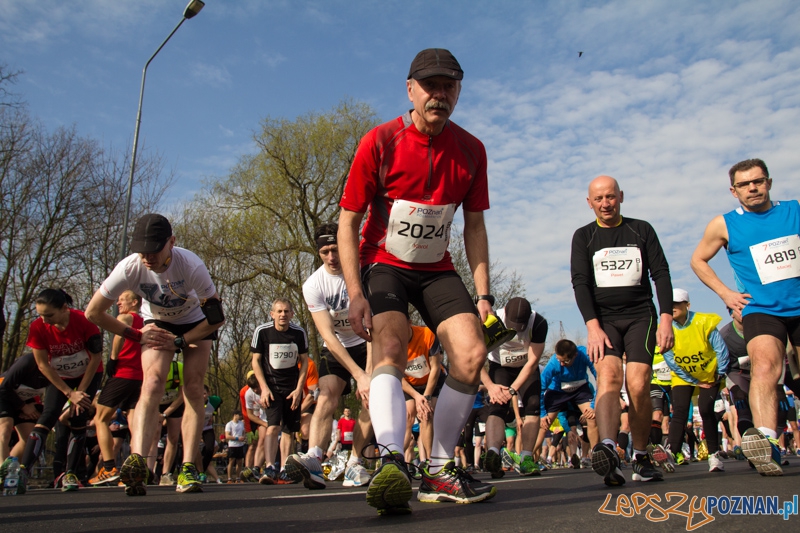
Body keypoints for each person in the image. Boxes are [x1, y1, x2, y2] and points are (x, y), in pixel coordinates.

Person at [338, 48, 496, 513]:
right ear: (411, 90)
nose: (439, 95)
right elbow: (348, 222)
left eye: (449, 86)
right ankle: (391, 460)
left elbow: (474, 226)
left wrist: (483, 294)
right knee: (391, 341)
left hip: (436, 268)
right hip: (383, 262)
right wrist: (354, 293)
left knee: (472, 352)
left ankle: (440, 468)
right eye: (430, 86)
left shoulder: (472, 150)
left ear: (459, 92)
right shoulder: (380, 141)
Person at [85, 213, 224, 495]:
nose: (147, 257)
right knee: (151, 383)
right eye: (142, 251)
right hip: (157, 322)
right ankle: (137, 463)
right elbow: (93, 312)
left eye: (154, 250)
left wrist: (181, 341)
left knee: (193, 387)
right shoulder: (129, 268)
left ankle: (188, 467)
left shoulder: (191, 265)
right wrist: (136, 335)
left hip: (196, 323)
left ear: (171, 242)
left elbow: (216, 318)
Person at [691, 158, 800, 476]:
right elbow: (698, 260)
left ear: (769, 182)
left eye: (758, 181)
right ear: (734, 191)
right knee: (765, 366)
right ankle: (766, 443)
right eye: (744, 184)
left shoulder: (793, 210)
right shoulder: (724, 224)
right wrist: (726, 294)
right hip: (761, 309)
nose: (752, 188)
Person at [570, 175, 674, 486]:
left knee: (639, 384)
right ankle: (608, 450)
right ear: (589, 203)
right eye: (599, 198)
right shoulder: (583, 236)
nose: (605, 204)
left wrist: (666, 319)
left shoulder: (641, 229)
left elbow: (661, 274)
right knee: (609, 378)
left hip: (640, 316)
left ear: (621, 196)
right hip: (604, 321)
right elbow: (580, 282)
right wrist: (592, 327)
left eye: (611, 197)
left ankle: (640, 456)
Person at [285, 224, 374, 490]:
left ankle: (355, 463)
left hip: (368, 341)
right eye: (325, 251)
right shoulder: (313, 285)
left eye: (336, 249)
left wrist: (368, 374)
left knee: (372, 398)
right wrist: (357, 374)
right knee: (326, 395)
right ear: (318, 253)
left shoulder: (364, 272)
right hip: (338, 346)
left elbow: (374, 326)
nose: (332, 257)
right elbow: (329, 336)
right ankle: (314, 458)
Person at [19, 289, 104, 493]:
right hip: (59, 377)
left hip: (88, 373)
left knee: (78, 415)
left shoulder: (84, 321)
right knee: (48, 415)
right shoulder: (38, 327)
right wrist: (68, 393)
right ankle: (23, 471)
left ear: (64, 308)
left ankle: (71, 473)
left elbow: (95, 358)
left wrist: (80, 393)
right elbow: (42, 365)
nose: (44, 320)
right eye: (41, 315)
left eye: (49, 315)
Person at [660, 288, 730, 472]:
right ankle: (671, 452)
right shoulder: (666, 328)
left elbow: (721, 350)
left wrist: (719, 374)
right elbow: (670, 360)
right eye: (670, 304)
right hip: (683, 375)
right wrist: (693, 381)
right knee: (680, 410)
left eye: (677, 303)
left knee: (706, 409)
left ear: (687, 305)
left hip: (709, 374)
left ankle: (714, 455)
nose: (673, 307)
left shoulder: (703, 322)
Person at [481, 297, 547, 477]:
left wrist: (512, 390)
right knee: (497, 406)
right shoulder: (490, 320)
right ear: (504, 312)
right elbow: (474, 357)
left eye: (520, 327)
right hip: (500, 366)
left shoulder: (539, 323)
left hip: (526, 367)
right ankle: (493, 454)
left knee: (533, 404)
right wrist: (490, 386)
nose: (517, 331)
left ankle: (526, 458)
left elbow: (533, 362)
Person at [250, 298, 309, 484]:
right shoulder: (262, 332)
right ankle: (269, 467)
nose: (283, 315)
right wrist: (264, 388)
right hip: (271, 387)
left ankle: (284, 468)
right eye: (279, 311)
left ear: (292, 314)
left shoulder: (299, 333)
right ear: (272, 314)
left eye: (286, 311)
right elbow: (255, 361)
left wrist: (299, 389)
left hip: (291, 388)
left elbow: (305, 362)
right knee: (273, 426)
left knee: (288, 430)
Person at [89, 290, 144, 486]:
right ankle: (135, 469)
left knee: (100, 418)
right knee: (135, 424)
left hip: (123, 374)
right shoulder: (146, 322)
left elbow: (120, 334)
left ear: (135, 302)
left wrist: (113, 358)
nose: (118, 303)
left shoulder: (127, 317)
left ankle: (109, 467)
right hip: (139, 377)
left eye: (122, 300)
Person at [0, 352, 49, 482]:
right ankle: (1, 468)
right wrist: (23, 406)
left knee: (28, 437)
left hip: (26, 399)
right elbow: (4, 388)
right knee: (5, 428)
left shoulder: (59, 370)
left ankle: (9, 471)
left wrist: (35, 406)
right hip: (3, 393)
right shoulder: (28, 361)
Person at [401, 321, 444, 468]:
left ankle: (431, 462)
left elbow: (435, 367)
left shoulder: (427, 334)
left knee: (426, 415)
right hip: (409, 385)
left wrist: (426, 397)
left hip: (430, 380)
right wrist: (415, 396)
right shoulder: (393, 342)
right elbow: (397, 376)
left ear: (409, 323)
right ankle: (395, 459)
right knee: (408, 416)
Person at [225, 411, 246, 483]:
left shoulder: (241, 423)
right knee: (231, 461)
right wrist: (237, 438)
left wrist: (243, 437)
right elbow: (227, 436)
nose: (240, 416)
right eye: (239, 415)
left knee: (239, 462)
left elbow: (243, 432)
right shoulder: (229, 424)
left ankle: (238, 478)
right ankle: (229, 478)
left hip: (240, 445)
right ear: (235, 415)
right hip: (232, 445)